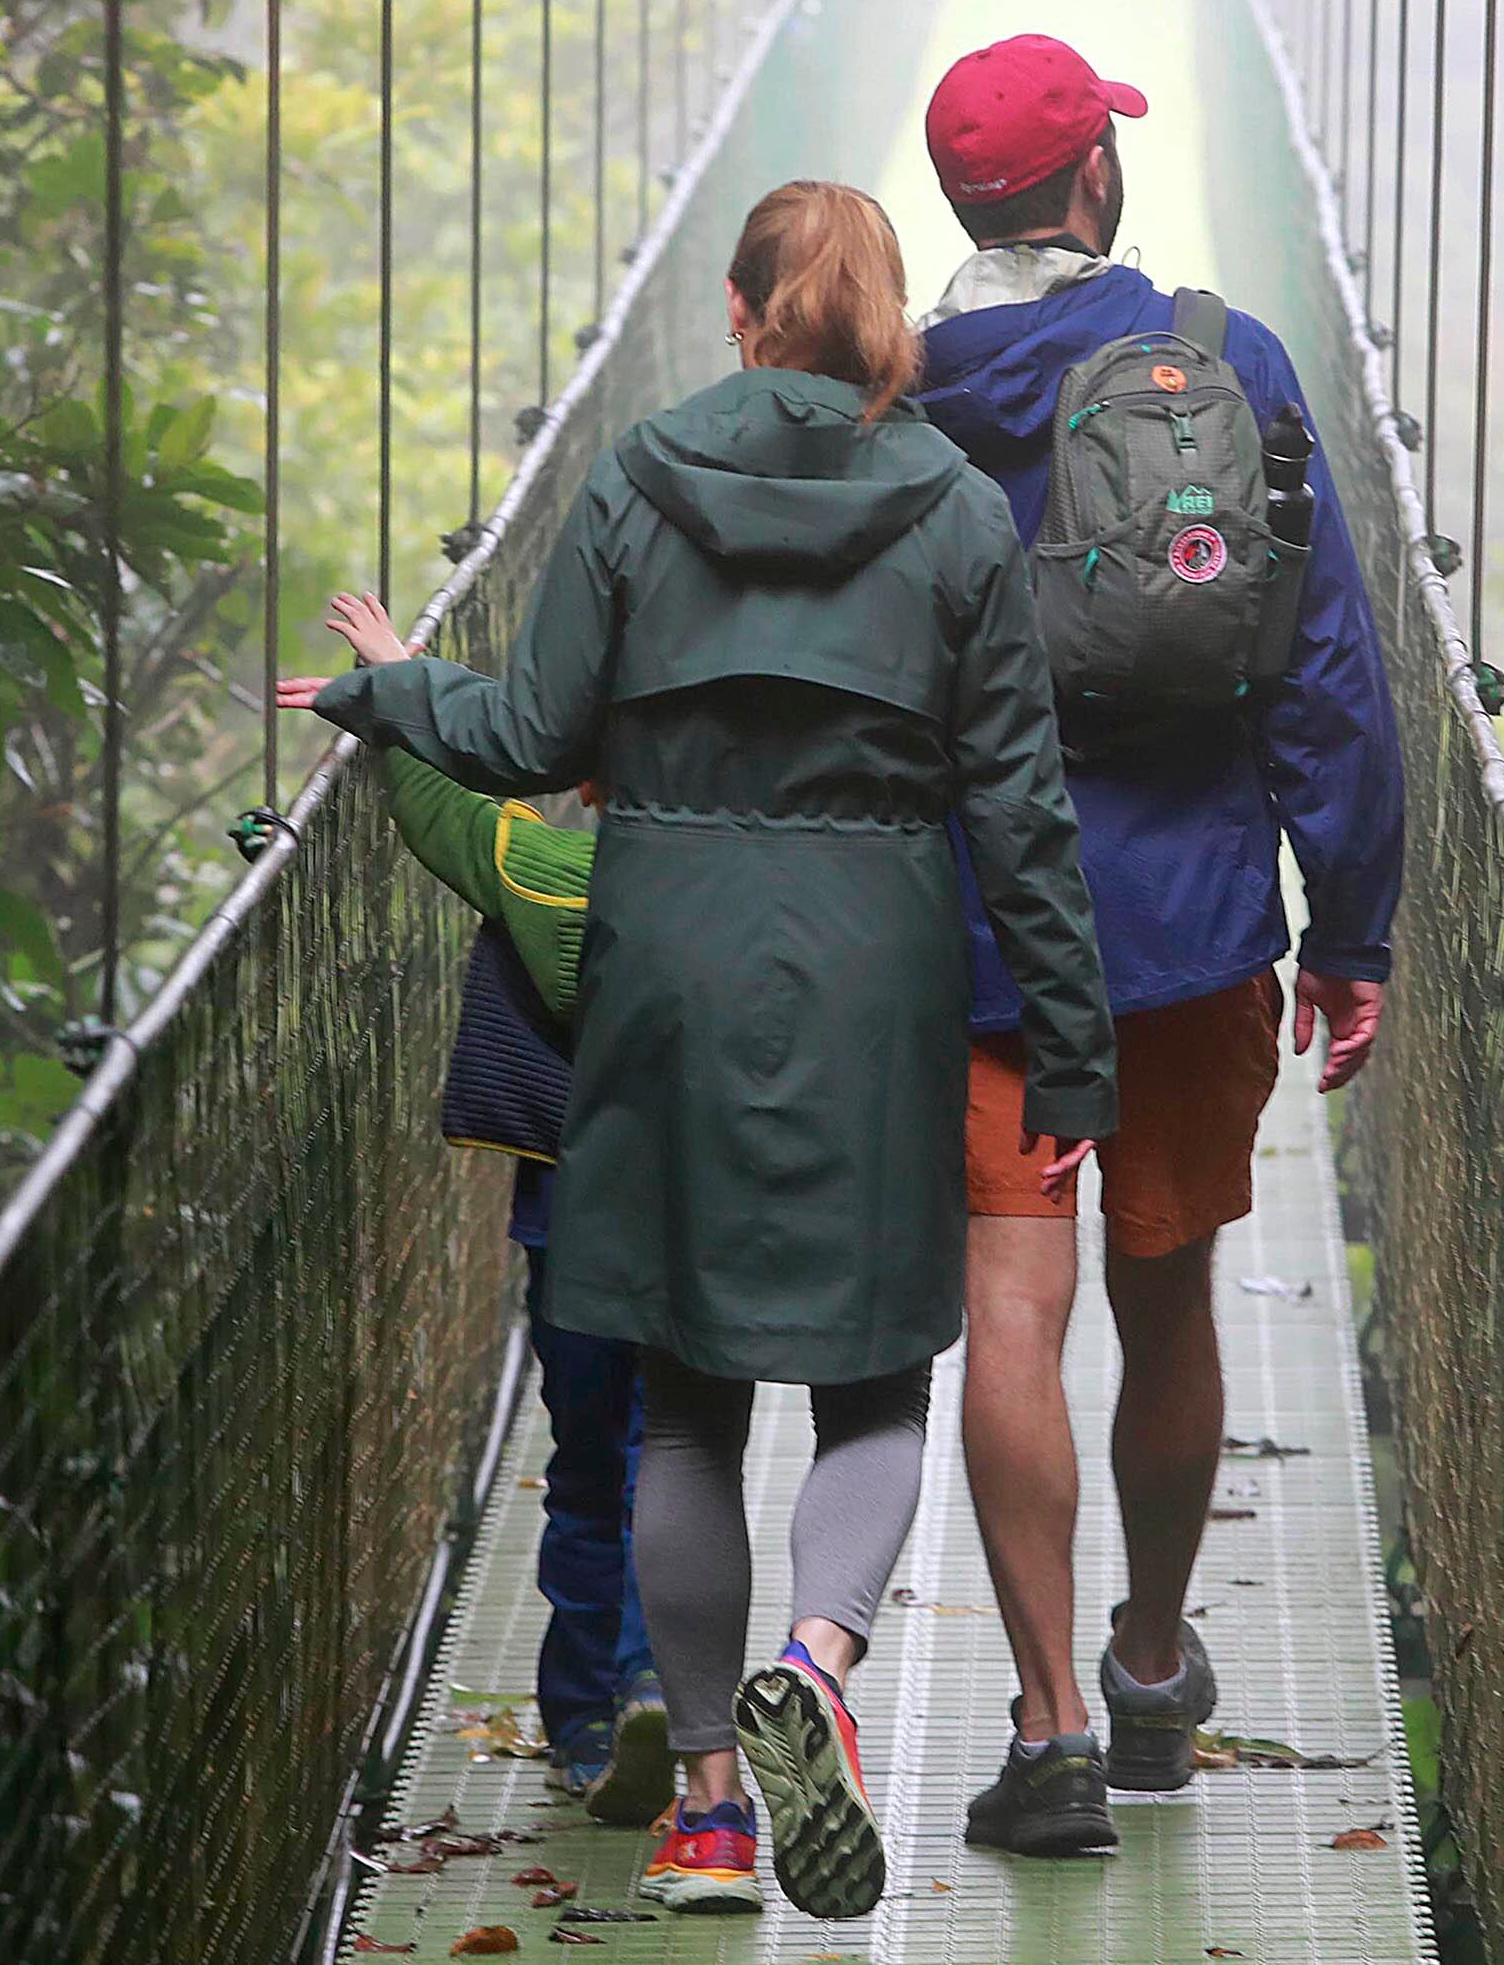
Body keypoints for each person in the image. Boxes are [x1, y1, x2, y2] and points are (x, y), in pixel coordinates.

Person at [281, 181, 1119, 1924]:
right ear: (886, 323)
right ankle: (816, 1661)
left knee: (682, 1398)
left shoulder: (639, 479)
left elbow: (529, 735)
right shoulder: (959, 512)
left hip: (663, 954)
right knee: (878, 1372)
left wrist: (387, 687)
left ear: (740, 317)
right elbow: (1024, 815)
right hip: (874, 965)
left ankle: (716, 1820)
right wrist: (1067, 1053)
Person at [907, 33, 1406, 1857]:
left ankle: (1039, 1726)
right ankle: (1145, 1665)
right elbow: (1324, 660)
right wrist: (1349, 921)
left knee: (1010, 1312)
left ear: (961, 199)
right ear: (1092, 180)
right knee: (1170, 1291)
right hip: (1194, 925)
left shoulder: (896, 387)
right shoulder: (1227, 361)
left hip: (978, 928)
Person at [321, 587, 670, 1826]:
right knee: (687, 1454)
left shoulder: (543, 869)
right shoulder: (754, 901)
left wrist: (391, 679)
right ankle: (666, 1688)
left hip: (575, 1223)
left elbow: (443, 801)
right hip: (714, 1218)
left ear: (583, 781)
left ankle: (589, 1714)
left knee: (591, 1466)